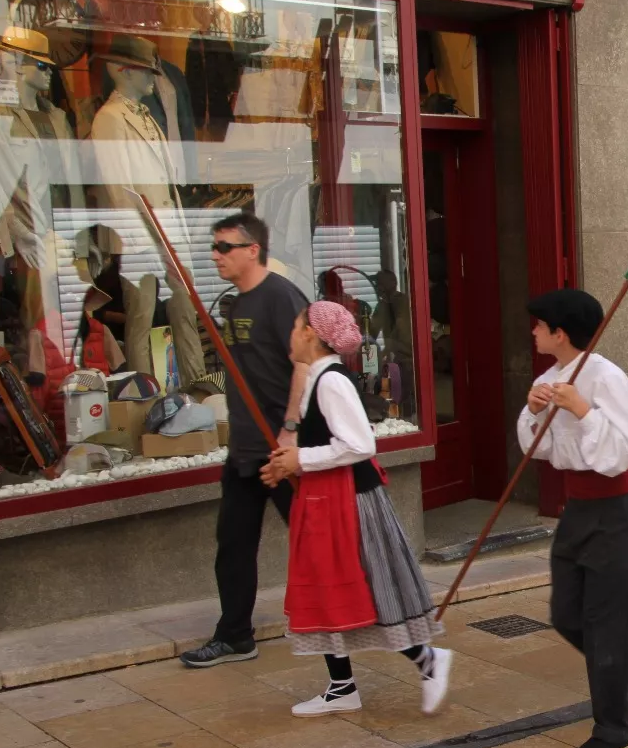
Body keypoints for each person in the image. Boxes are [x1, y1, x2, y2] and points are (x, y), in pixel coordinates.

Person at [259, 302, 452, 716]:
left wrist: (301, 459)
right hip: (325, 497)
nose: (290, 335)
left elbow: (360, 444)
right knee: (327, 586)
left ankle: (428, 660)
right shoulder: (317, 378)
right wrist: (289, 463)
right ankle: (342, 685)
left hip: (349, 501)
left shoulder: (331, 381)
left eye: (295, 327)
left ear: (310, 334)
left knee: (370, 586)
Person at [519, 289, 628, 748]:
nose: (534, 332)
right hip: (577, 506)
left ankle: (613, 727)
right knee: (567, 613)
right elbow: (537, 448)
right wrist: (534, 411)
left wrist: (582, 409)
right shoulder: (549, 377)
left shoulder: (607, 377)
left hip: (618, 506)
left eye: (540, 325)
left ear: (560, 333)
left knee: (608, 621)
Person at [181, 213, 311, 669]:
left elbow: (305, 364)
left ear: (252, 250)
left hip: (281, 448)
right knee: (233, 545)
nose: (215, 256)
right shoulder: (235, 304)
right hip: (245, 449)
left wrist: (290, 428)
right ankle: (235, 635)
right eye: (214, 247)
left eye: (224, 247)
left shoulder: (280, 297)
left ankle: (362, 614)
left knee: (316, 541)